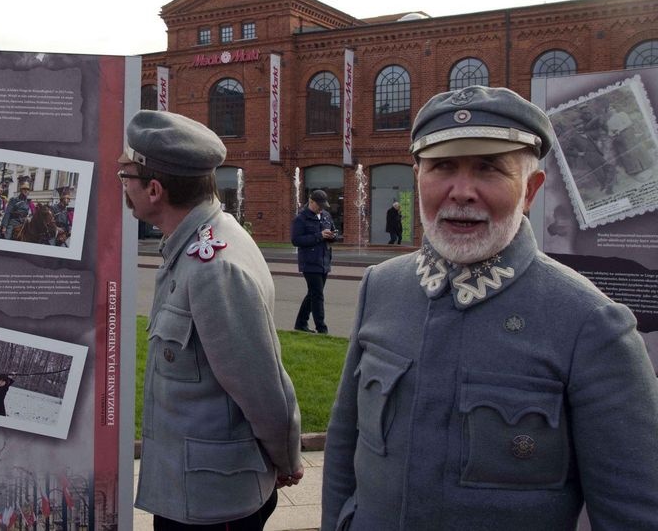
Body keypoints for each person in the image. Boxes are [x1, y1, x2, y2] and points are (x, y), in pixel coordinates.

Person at [321, 85, 658, 530]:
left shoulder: (590, 324)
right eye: (442, 166)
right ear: (417, 175)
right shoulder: (383, 286)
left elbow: (634, 511)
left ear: (531, 190)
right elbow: (345, 447)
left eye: (489, 169)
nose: (462, 191)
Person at [119, 110, 303, 529]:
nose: (122, 187)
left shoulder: (213, 268)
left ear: (153, 189)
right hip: (196, 491)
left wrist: (287, 459)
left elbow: (262, 387)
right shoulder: (200, 241)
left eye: (125, 176)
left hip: (212, 505)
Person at [291, 189, 336, 334]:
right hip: (309, 262)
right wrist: (319, 235)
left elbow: (335, 232)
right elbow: (296, 240)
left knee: (313, 293)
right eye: (319, 205)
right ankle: (321, 328)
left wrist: (332, 236)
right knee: (317, 295)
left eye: (324, 205)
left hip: (324, 261)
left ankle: (300, 323)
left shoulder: (326, 216)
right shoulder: (301, 219)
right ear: (311, 201)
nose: (321, 208)